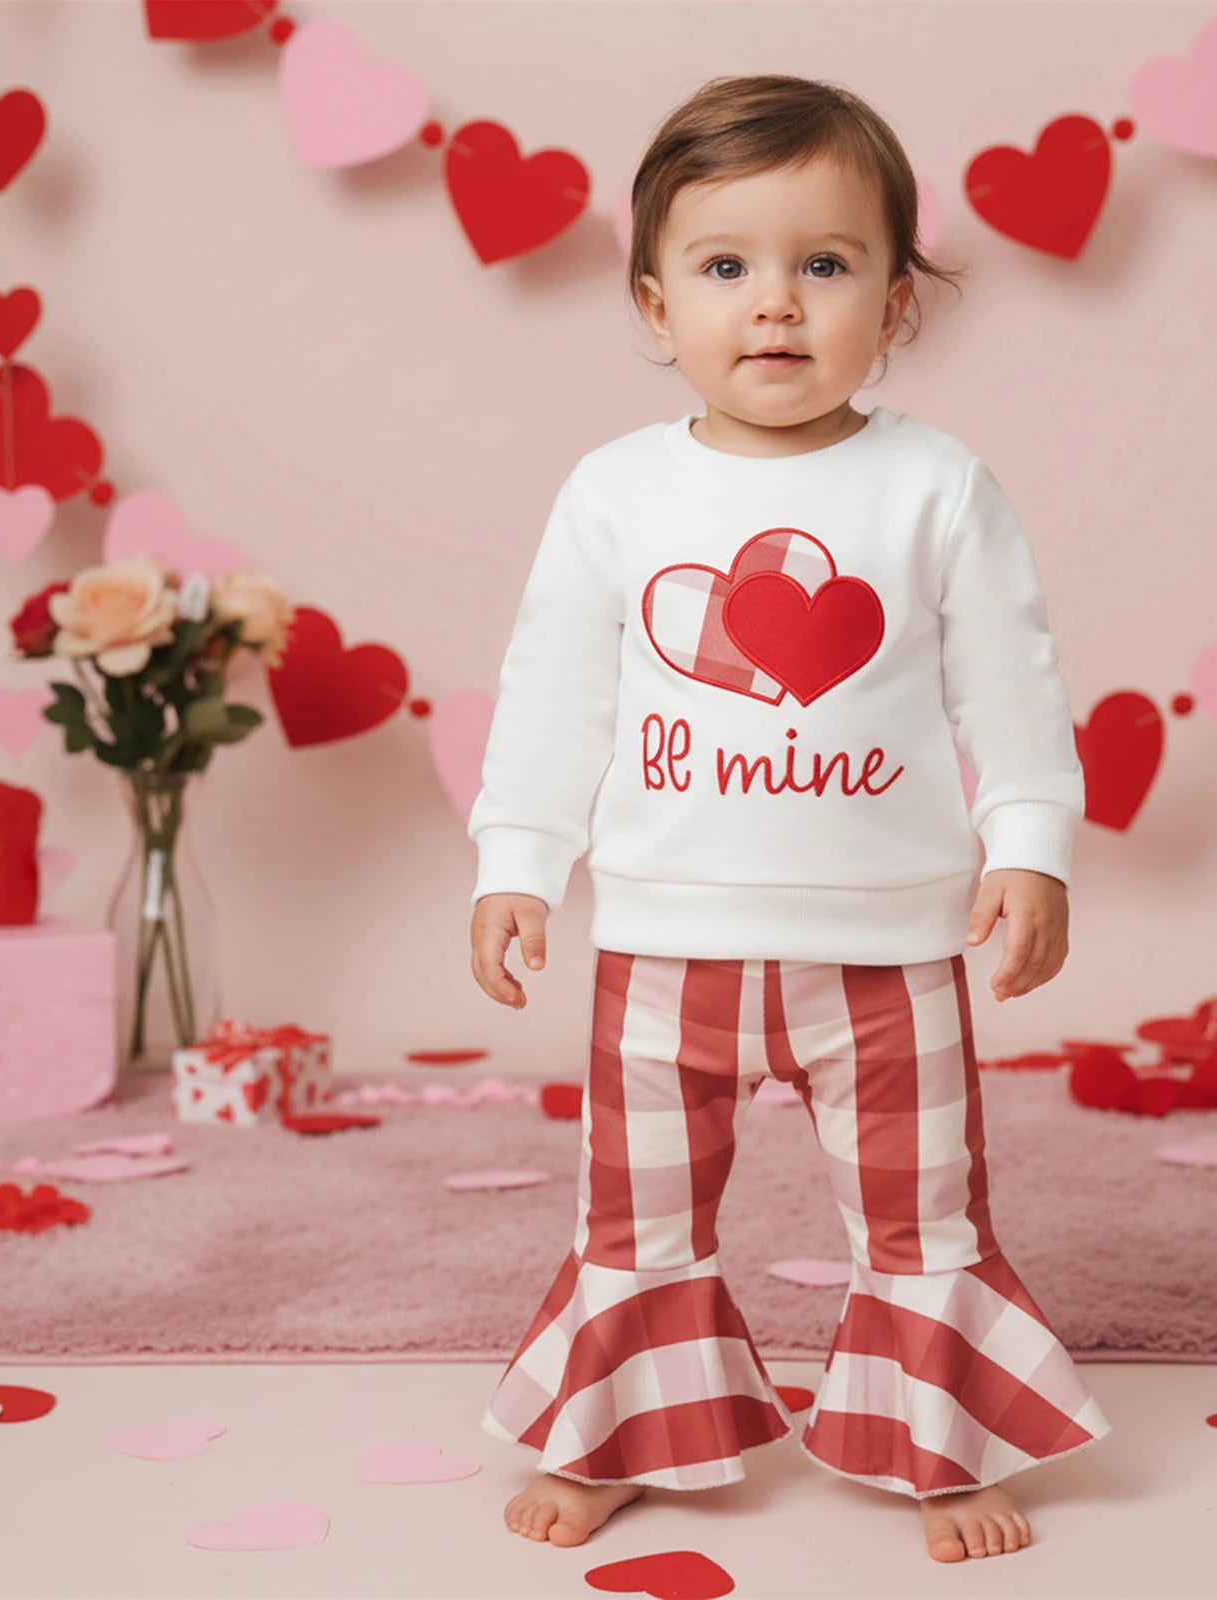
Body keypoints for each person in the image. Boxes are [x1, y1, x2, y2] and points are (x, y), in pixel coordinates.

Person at [466, 72, 1110, 1565]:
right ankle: (623, 1432)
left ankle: (941, 1443)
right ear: (651, 303)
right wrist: (519, 864)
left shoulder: (935, 485)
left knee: (922, 1212)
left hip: (887, 957)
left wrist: (1030, 848)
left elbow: (1010, 687)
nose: (776, 305)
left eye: (825, 265)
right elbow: (554, 691)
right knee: (635, 1223)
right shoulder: (614, 493)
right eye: (726, 267)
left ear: (893, 308)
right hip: (661, 946)